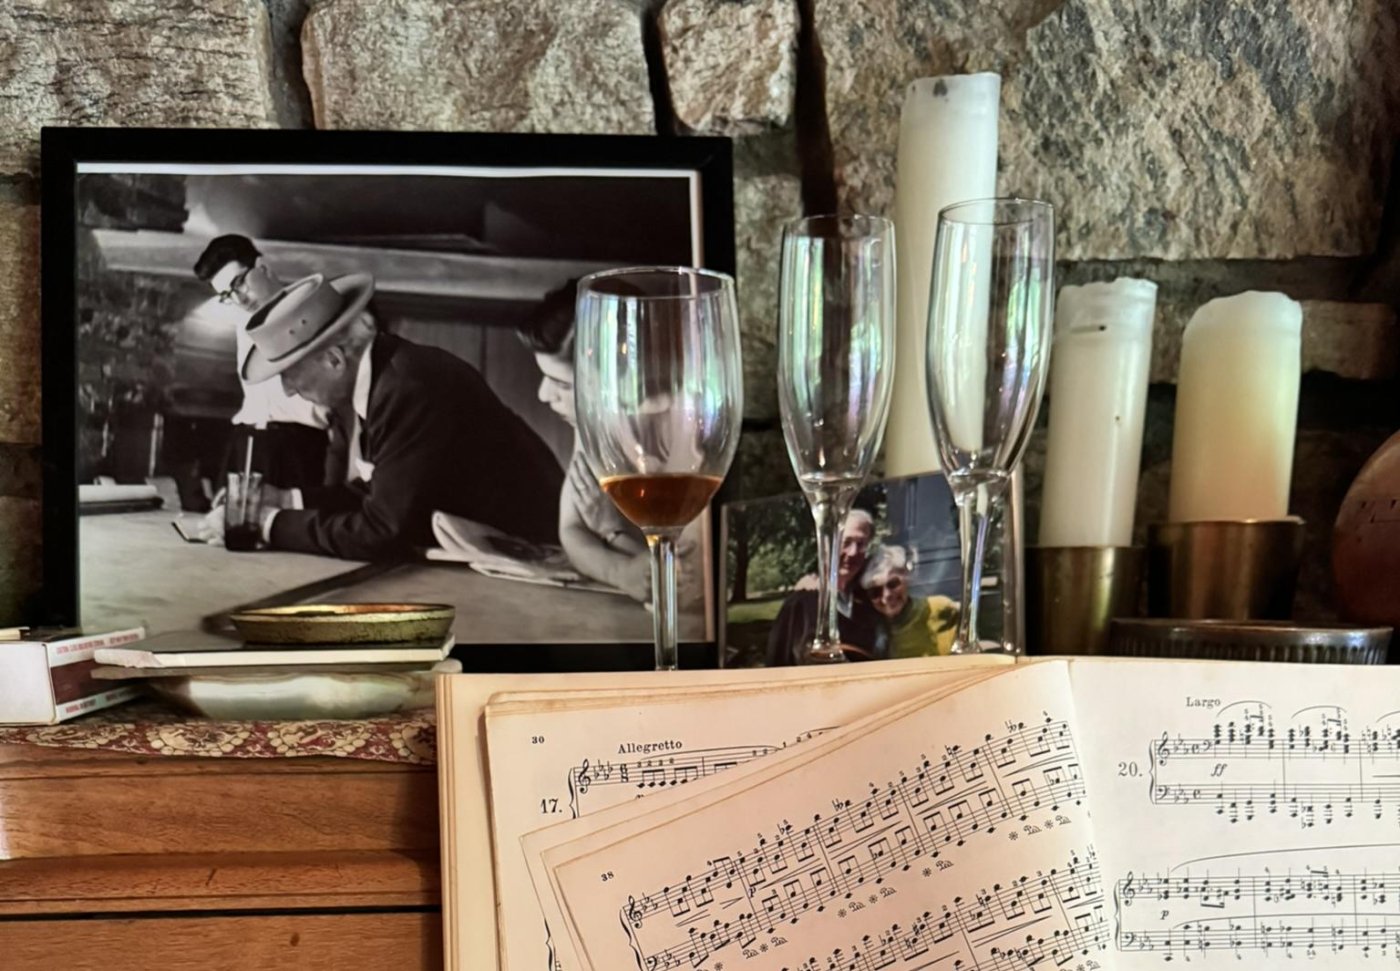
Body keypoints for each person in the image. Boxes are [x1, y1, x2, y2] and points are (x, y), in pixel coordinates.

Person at [202, 271, 564, 560]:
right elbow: (383, 490)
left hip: (539, 557)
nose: (288, 390)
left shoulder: (409, 387)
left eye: (290, 374)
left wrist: (265, 523)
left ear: (334, 360)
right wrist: (286, 500)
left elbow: (381, 531)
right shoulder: (388, 373)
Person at [516, 281, 652, 601]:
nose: (543, 395)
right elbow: (572, 529)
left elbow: (685, 574)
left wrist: (610, 530)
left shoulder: (681, 439)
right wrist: (621, 573)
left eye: (561, 382)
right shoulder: (591, 425)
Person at [192, 235, 332, 492]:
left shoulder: (315, 308)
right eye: (227, 295)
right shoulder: (242, 322)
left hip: (298, 448)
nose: (239, 299)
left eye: (239, 283)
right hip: (245, 441)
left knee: (291, 526)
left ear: (263, 267)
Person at [765, 509, 889, 665]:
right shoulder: (800, 604)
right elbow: (777, 663)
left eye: (861, 544)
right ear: (828, 543)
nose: (853, 552)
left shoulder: (871, 601)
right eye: (846, 542)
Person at [859, 544, 960, 658]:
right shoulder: (871, 632)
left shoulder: (939, 607)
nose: (886, 595)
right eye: (875, 592)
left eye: (893, 584)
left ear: (906, 579)